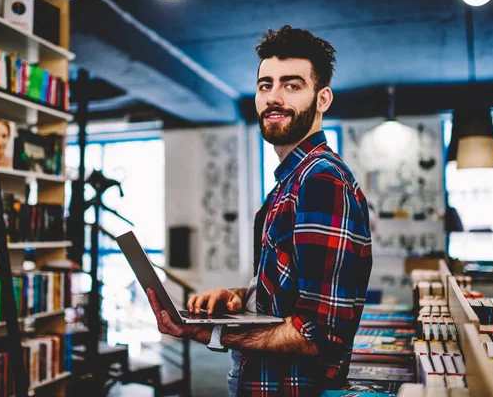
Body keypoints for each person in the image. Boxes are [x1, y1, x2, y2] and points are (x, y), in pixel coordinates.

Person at [147, 25, 372, 396]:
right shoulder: (288, 183)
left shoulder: (321, 180)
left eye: (292, 85)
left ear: (323, 99)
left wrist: (203, 330)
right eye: (265, 85)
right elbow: (289, 292)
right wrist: (240, 300)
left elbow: (317, 333)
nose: (274, 97)